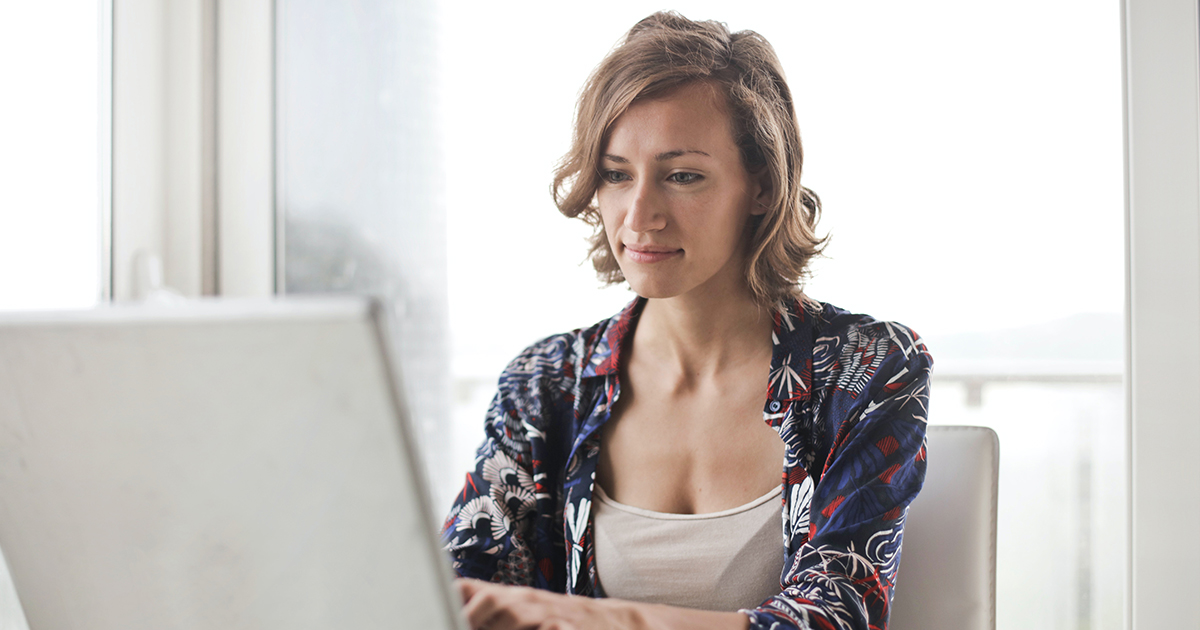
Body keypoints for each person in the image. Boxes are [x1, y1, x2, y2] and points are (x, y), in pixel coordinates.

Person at [441, 12, 931, 630]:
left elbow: (836, 617)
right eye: (617, 175)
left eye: (682, 176)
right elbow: (454, 591)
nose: (639, 215)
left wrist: (600, 620)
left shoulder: (868, 368)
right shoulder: (547, 384)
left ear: (760, 186)